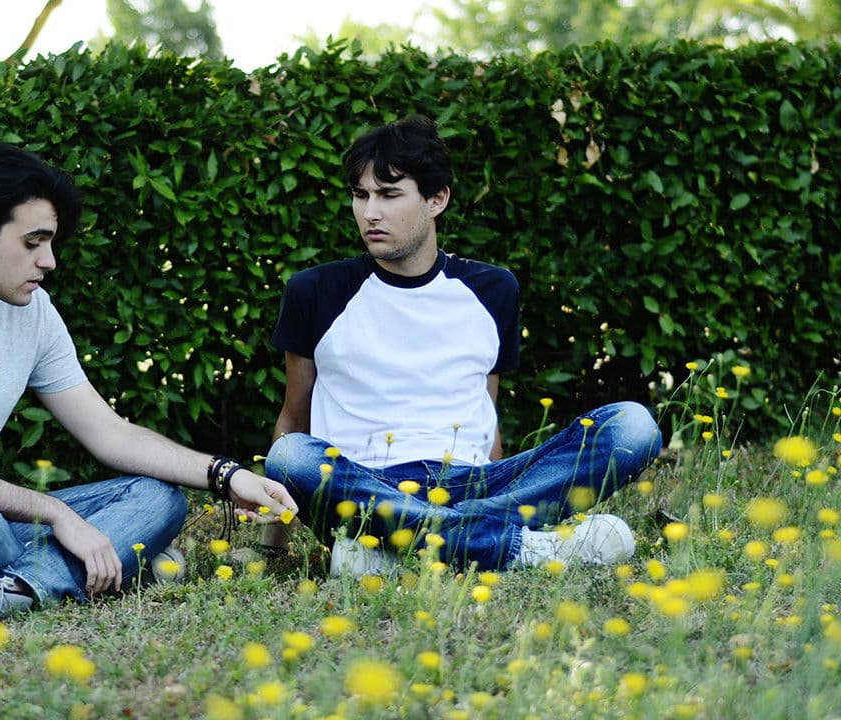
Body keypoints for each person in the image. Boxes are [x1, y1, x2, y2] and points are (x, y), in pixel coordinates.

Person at [0, 139, 297, 623]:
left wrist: (226, 474)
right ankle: (105, 566)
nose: (49, 261)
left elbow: (111, 434)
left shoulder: (31, 313)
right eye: (32, 243)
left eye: (49, 244)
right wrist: (58, 515)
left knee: (156, 498)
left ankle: (13, 590)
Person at [260, 114, 661, 575]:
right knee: (291, 456)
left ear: (437, 199)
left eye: (389, 195)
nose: (370, 213)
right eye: (361, 195)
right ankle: (522, 548)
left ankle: (391, 547)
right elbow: (294, 419)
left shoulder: (492, 289)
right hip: (365, 484)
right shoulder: (315, 291)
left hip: (476, 483)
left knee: (633, 426)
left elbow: (484, 419)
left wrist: (493, 480)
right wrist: (273, 547)